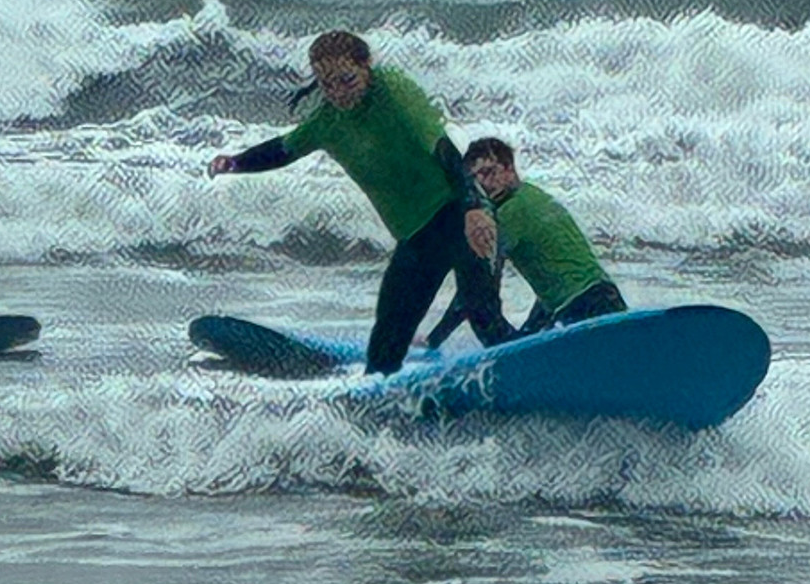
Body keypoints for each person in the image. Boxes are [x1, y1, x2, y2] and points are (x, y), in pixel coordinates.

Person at [208, 31, 515, 374]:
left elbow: (444, 150)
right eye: (327, 84)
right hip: (417, 235)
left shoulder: (394, 92)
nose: (338, 92)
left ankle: (530, 373)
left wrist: (474, 208)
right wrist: (234, 162)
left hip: (458, 214)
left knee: (482, 314)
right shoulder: (328, 122)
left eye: (347, 80)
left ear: (367, 66)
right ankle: (382, 408)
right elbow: (283, 149)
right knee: (387, 338)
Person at [425, 137, 626, 349]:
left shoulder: (510, 213)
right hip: (605, 299)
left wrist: (434, 339)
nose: (483, 185)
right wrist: (529, 336)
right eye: (475, 180)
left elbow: (477, 287)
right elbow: (554, 283)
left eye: (488, 173)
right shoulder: (535, 195)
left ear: (509, 169)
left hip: (583, 308)